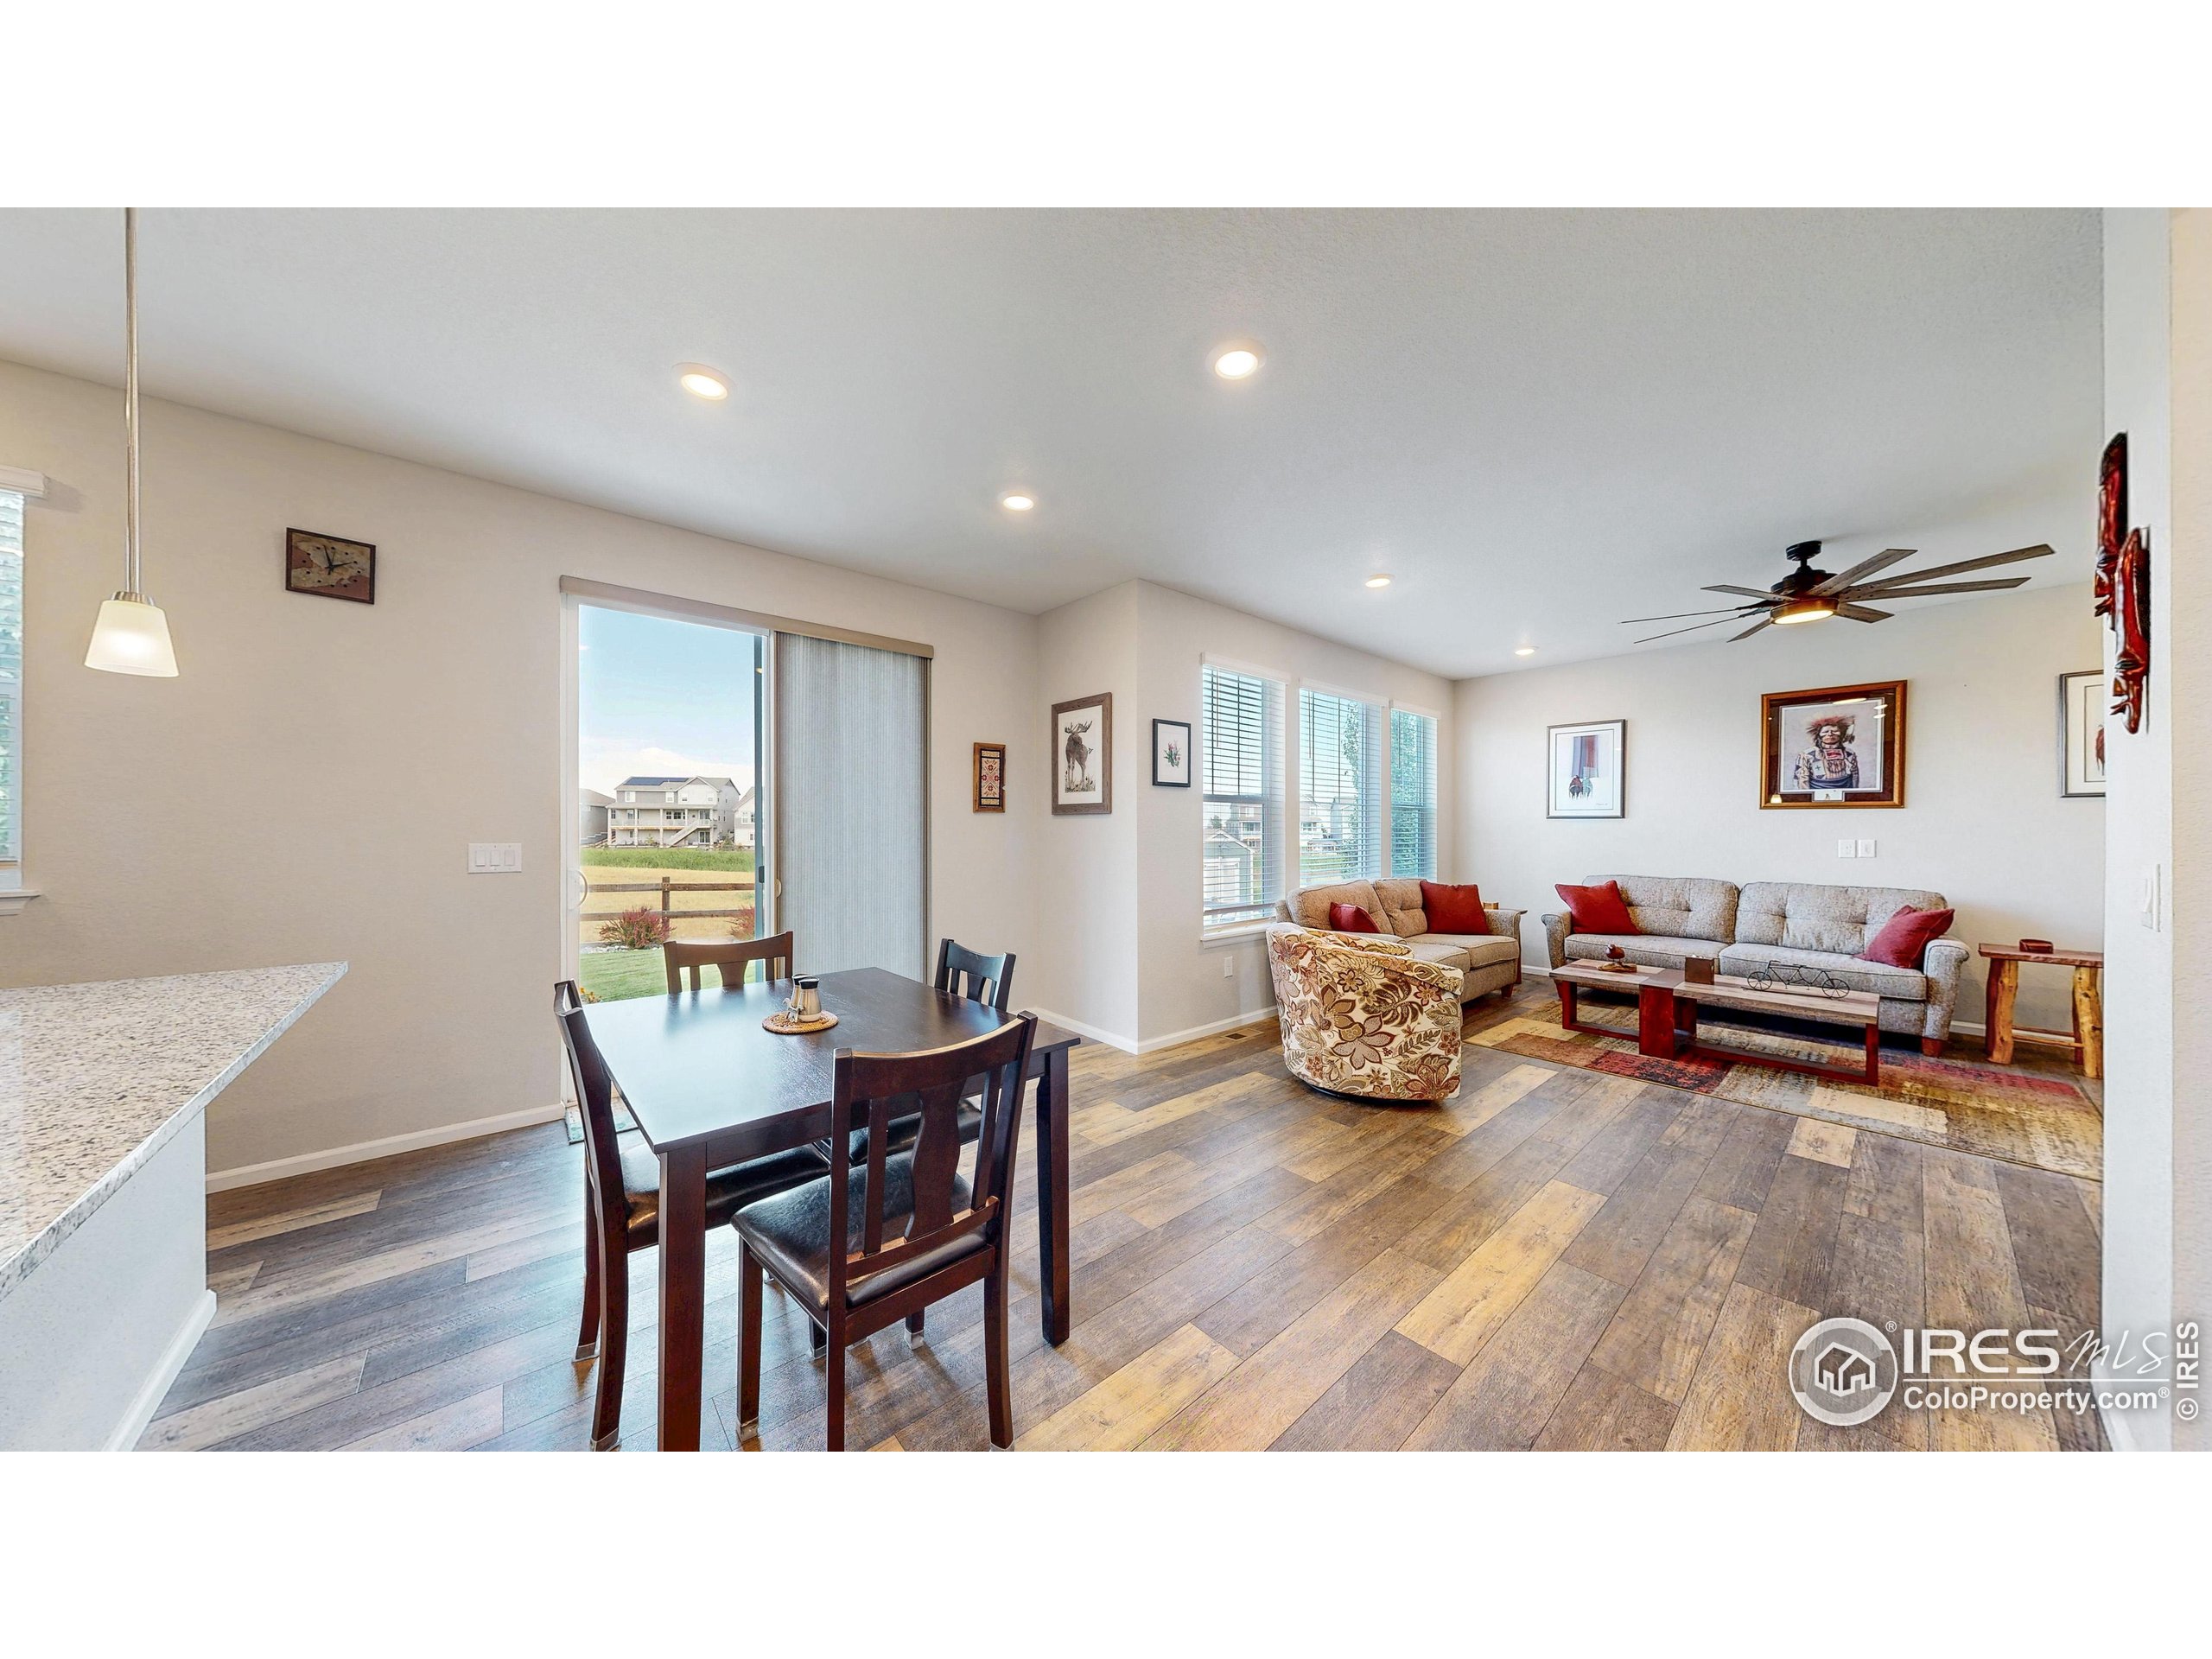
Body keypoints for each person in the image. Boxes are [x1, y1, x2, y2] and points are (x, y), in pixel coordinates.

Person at [1792, 714, 1860, 791]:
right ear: (1819, 735)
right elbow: (1802, 779)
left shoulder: (1849, 754)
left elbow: (1855, 777)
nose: (1830, 734)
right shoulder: (1807, 755)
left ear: (1841, 733)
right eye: (1825, 732)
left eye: (1835, 731)